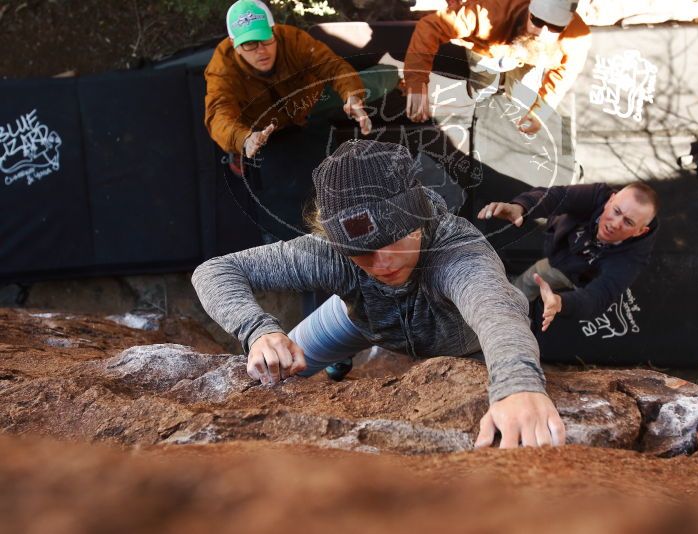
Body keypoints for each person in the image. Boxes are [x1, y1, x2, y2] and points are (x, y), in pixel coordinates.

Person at [192, 139, 566, 448]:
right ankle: (342, 358)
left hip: (461, 342)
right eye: (361, 252)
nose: (381, 262)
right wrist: (258, 330)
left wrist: (517, 387)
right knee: (273, 373)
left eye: (390, 241)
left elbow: (494, 312)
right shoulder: (331, 252)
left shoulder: (456, 252)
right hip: (363, 322)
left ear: (417, 219)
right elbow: (215, 270)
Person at [204, 0, 399, 241]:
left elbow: (333, 67)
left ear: (274, 31)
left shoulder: (293, 40)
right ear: (234, 45)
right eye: (250, 45)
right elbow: (218, 113)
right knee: (240, 142)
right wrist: (243, 138)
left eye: (265, 40)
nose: (261, 51)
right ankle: (243, 149)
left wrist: (353, 98)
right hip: (261, 126)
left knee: (385, 76)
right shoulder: (222, 66)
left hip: (306, 105)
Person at [478, 182, 659, 331]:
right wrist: (522, 207)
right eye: (616, 211)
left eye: (628, 222)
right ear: (610, 200)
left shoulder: (632, 256)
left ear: (640, 231)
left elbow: (598, 297)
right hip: (560, 252)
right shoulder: (597, 194)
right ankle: (501, 312)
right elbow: (558, 196)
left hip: (583, 278)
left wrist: (560, 302)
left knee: (554, 310)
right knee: (531, 279)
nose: (615, 224)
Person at [404, 0, 591, 134]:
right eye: (537, 21)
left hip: (530, 58)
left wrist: (540, 113)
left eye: (555, 28)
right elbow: (429, 27)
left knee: (521, 96)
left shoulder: (577, 39)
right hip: (486, 51)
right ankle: (482, 91)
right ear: (529, 11)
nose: (542, 34)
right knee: (483, 86)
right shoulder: (489, 11)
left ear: (567, 24)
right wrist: (416, 82)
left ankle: (511, 93)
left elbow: (562, 75)